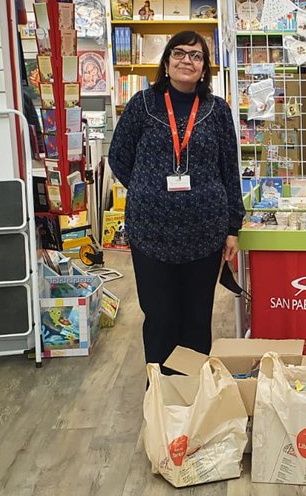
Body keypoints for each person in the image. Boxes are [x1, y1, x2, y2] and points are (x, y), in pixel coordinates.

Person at [107, 31, 244, 370]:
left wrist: (233, 227)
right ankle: (160, 391)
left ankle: (192, 390)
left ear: (204, 68)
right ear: (166, 62)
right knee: (159, 318)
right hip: (151, 234)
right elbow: (118, 156)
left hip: (204, 234)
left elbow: (229, 170)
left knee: (197, 320)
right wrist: (146, 190)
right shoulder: (142, 105)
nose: (187, 60)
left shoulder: (218, 110)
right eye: (179, 53)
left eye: (196, 56)